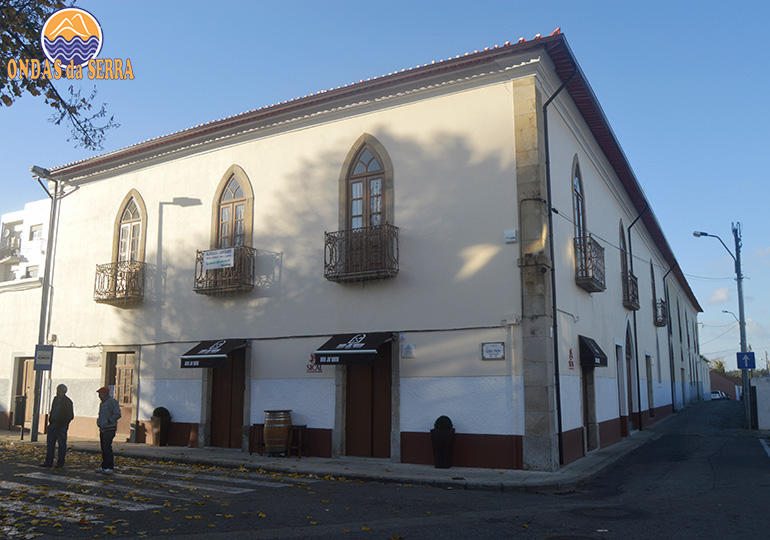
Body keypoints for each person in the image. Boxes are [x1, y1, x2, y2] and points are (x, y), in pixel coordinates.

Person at [41, 384, 74, 468]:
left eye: (59, 391)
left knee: (61, 444)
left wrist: (62, 423)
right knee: (50, 444)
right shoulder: (55, 399)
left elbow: (70, 415)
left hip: (61, 426)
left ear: (64, 392)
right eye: (57, 390)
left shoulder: (67, 401)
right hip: (53, 424)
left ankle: (60, 462)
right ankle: (49, 461)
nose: (57, 392)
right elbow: (53, 410)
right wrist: (50, 420)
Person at [96, 386, 121, 474]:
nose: (99, 395)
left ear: (105, 394)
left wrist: (109, 421)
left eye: (100, 393)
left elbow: (117, 414)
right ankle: (104, 465)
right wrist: (99, 422)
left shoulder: (112, 402)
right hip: (103, 428)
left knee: (107, 447)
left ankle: (109, 466)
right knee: (103, 447)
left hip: (110, 428)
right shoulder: (102, 403)